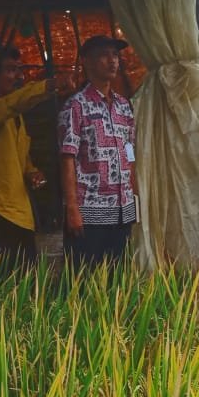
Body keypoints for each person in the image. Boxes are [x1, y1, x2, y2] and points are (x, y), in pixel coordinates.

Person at [0, 45, 73, 269]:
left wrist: (32, 172)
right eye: (10, 70)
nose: (18, 76)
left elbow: (22, 159)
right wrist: (49, 85)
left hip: (22, 215)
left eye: (19, 70)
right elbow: (14, 102)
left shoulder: (16, 118)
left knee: (25, 284)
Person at [57, 35, 139, 268]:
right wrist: (72, 208)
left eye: (115, 55)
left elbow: (129, 150)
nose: (112, 61)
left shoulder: (124, 105)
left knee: (117, 278)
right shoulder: (75, 106)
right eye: (104, 55)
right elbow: (67, 158)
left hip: (122, 209)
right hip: (89, 212)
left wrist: (133, 195)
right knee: (83, 278)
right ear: (86, 61)